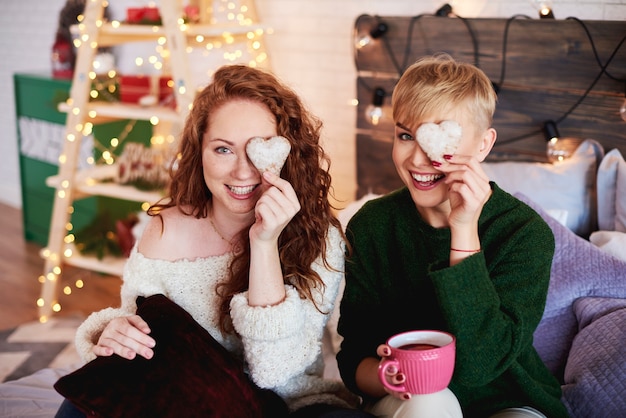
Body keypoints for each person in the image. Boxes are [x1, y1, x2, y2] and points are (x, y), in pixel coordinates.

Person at [56, 64, 373, 418]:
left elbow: (275, 370)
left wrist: (265, 244)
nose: (242, 171)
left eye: (259, 149)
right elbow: (140, 327)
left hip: (292, 406)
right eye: (223, 150)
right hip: (196, 403)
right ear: (200, 152)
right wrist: (112, 331)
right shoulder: (166, 231)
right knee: (78, 407)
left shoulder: (320, 238)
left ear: (288, 154)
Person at [336, 54, 569, 418]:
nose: (418, 158)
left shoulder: (524, 234)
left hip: (507, 400)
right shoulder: (371, 226)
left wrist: (463, 229)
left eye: (441, 137)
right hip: (413, 400)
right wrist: (390, 376)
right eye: (406, 135)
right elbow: (353, 357)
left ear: (483, 145)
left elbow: (481, 366)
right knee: (432, 403)